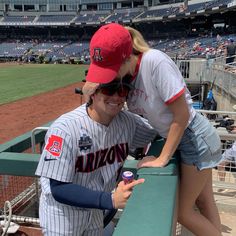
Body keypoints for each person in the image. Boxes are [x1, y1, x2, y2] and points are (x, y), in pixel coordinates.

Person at [85, 23, 224, 235]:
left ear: (126, 57)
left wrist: (162, 158)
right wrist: (88, 93)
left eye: (111, 68)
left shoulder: (154, 61)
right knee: (204, 201)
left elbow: (182, 114)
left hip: (195, 138)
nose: (109, 76)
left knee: (184, 213)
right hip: (186, 139)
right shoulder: (128, 78)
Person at [35, 77, 158, 236]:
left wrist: (156, 156)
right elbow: (58, 188)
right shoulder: (64, 129)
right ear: (93, 93)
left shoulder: (128, 122)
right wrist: (111, 200)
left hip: (96, 210)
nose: (116, 97)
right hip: (63, 214)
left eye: (122, 91)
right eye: (108, 90)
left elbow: (159, 131)